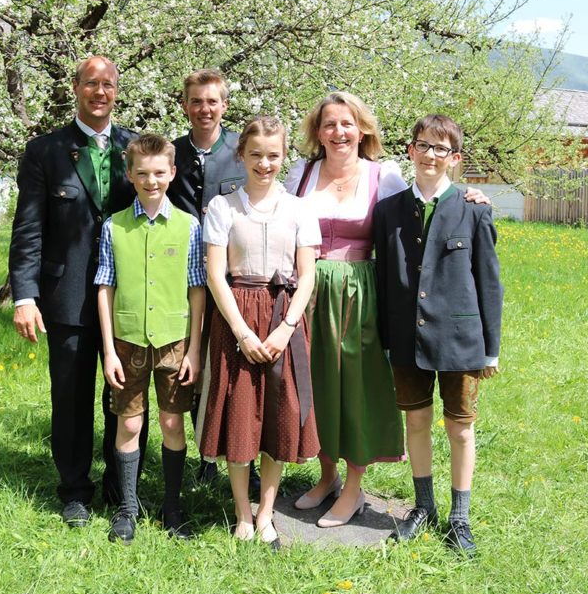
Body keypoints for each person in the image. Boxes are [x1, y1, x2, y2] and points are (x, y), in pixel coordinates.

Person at [9, 56, 147, 526]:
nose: (100, 92)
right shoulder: (45, 150)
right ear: (76, 88)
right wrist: (25, 296)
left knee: (124, 394)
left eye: (108, 84)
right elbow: (29, 229)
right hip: (65, 294)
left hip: (130, 297)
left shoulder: (136, 148)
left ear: (117, 90)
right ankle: (74, 491)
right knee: (69, 396)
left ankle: (121, 488)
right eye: (92, 83)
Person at [373, 114, 503, 556]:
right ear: (410, 150)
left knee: (461, 429)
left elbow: (488, 282)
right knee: (417, 421)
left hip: (461, 340)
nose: (431, 155)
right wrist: (387, 340)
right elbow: (384, 278)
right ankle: (423, 507)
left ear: (455, 158)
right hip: (408, 340)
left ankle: (459, 516)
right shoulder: (387, 211)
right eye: (423, 145)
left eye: (441, 149)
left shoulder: (474, 209)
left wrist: (491, 349)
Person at [284, 91, 407, 527]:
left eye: (347, 123)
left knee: (356, 387)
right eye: (330, 124)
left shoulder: (384, 176)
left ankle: (354, 489)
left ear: (363, 129)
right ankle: (328, 475)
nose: (339, 132)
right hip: (310, 291)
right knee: (316, 385)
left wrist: (466, 196)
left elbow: (417, 217)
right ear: (318, 132)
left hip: (360, 293)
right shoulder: (300, 174)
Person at [199, 116, 321, 549]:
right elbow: (216, 274)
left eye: (273, 155)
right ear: (241, 155)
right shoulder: (222, 207)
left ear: (284, 155)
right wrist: (241, 333)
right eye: (255, 155)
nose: (264, 163)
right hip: (235, 317)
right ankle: (241, 513)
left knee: (276, 416)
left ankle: (266, 512)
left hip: (282, 319)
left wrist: (286, 329)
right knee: (239, 416)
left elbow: (307, 275)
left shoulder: (301, 209)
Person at [95, 134, 206, 544]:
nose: (151, 180)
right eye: (142, 173)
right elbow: (105, 287)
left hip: (176, 341)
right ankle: (127, 507)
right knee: (129, 422)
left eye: (160, 172)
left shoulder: (189, 226)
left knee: (173, 420)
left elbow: (198, 290)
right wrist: (108, 350)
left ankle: (172, 505)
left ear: (173, 173)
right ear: (129, 174)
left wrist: (195, 349)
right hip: (126, 342)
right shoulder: (114, 227)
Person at [167, 69, 259, 491]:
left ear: (224, 105)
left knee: (237, 366)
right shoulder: (171, 153)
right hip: (182, 275)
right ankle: (205, 454)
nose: (205, 109)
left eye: (212, 101)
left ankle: (247, 456)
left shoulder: (242, 151)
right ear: (185, 105)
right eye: (196, 101)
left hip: (236, 276)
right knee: (193, 362)